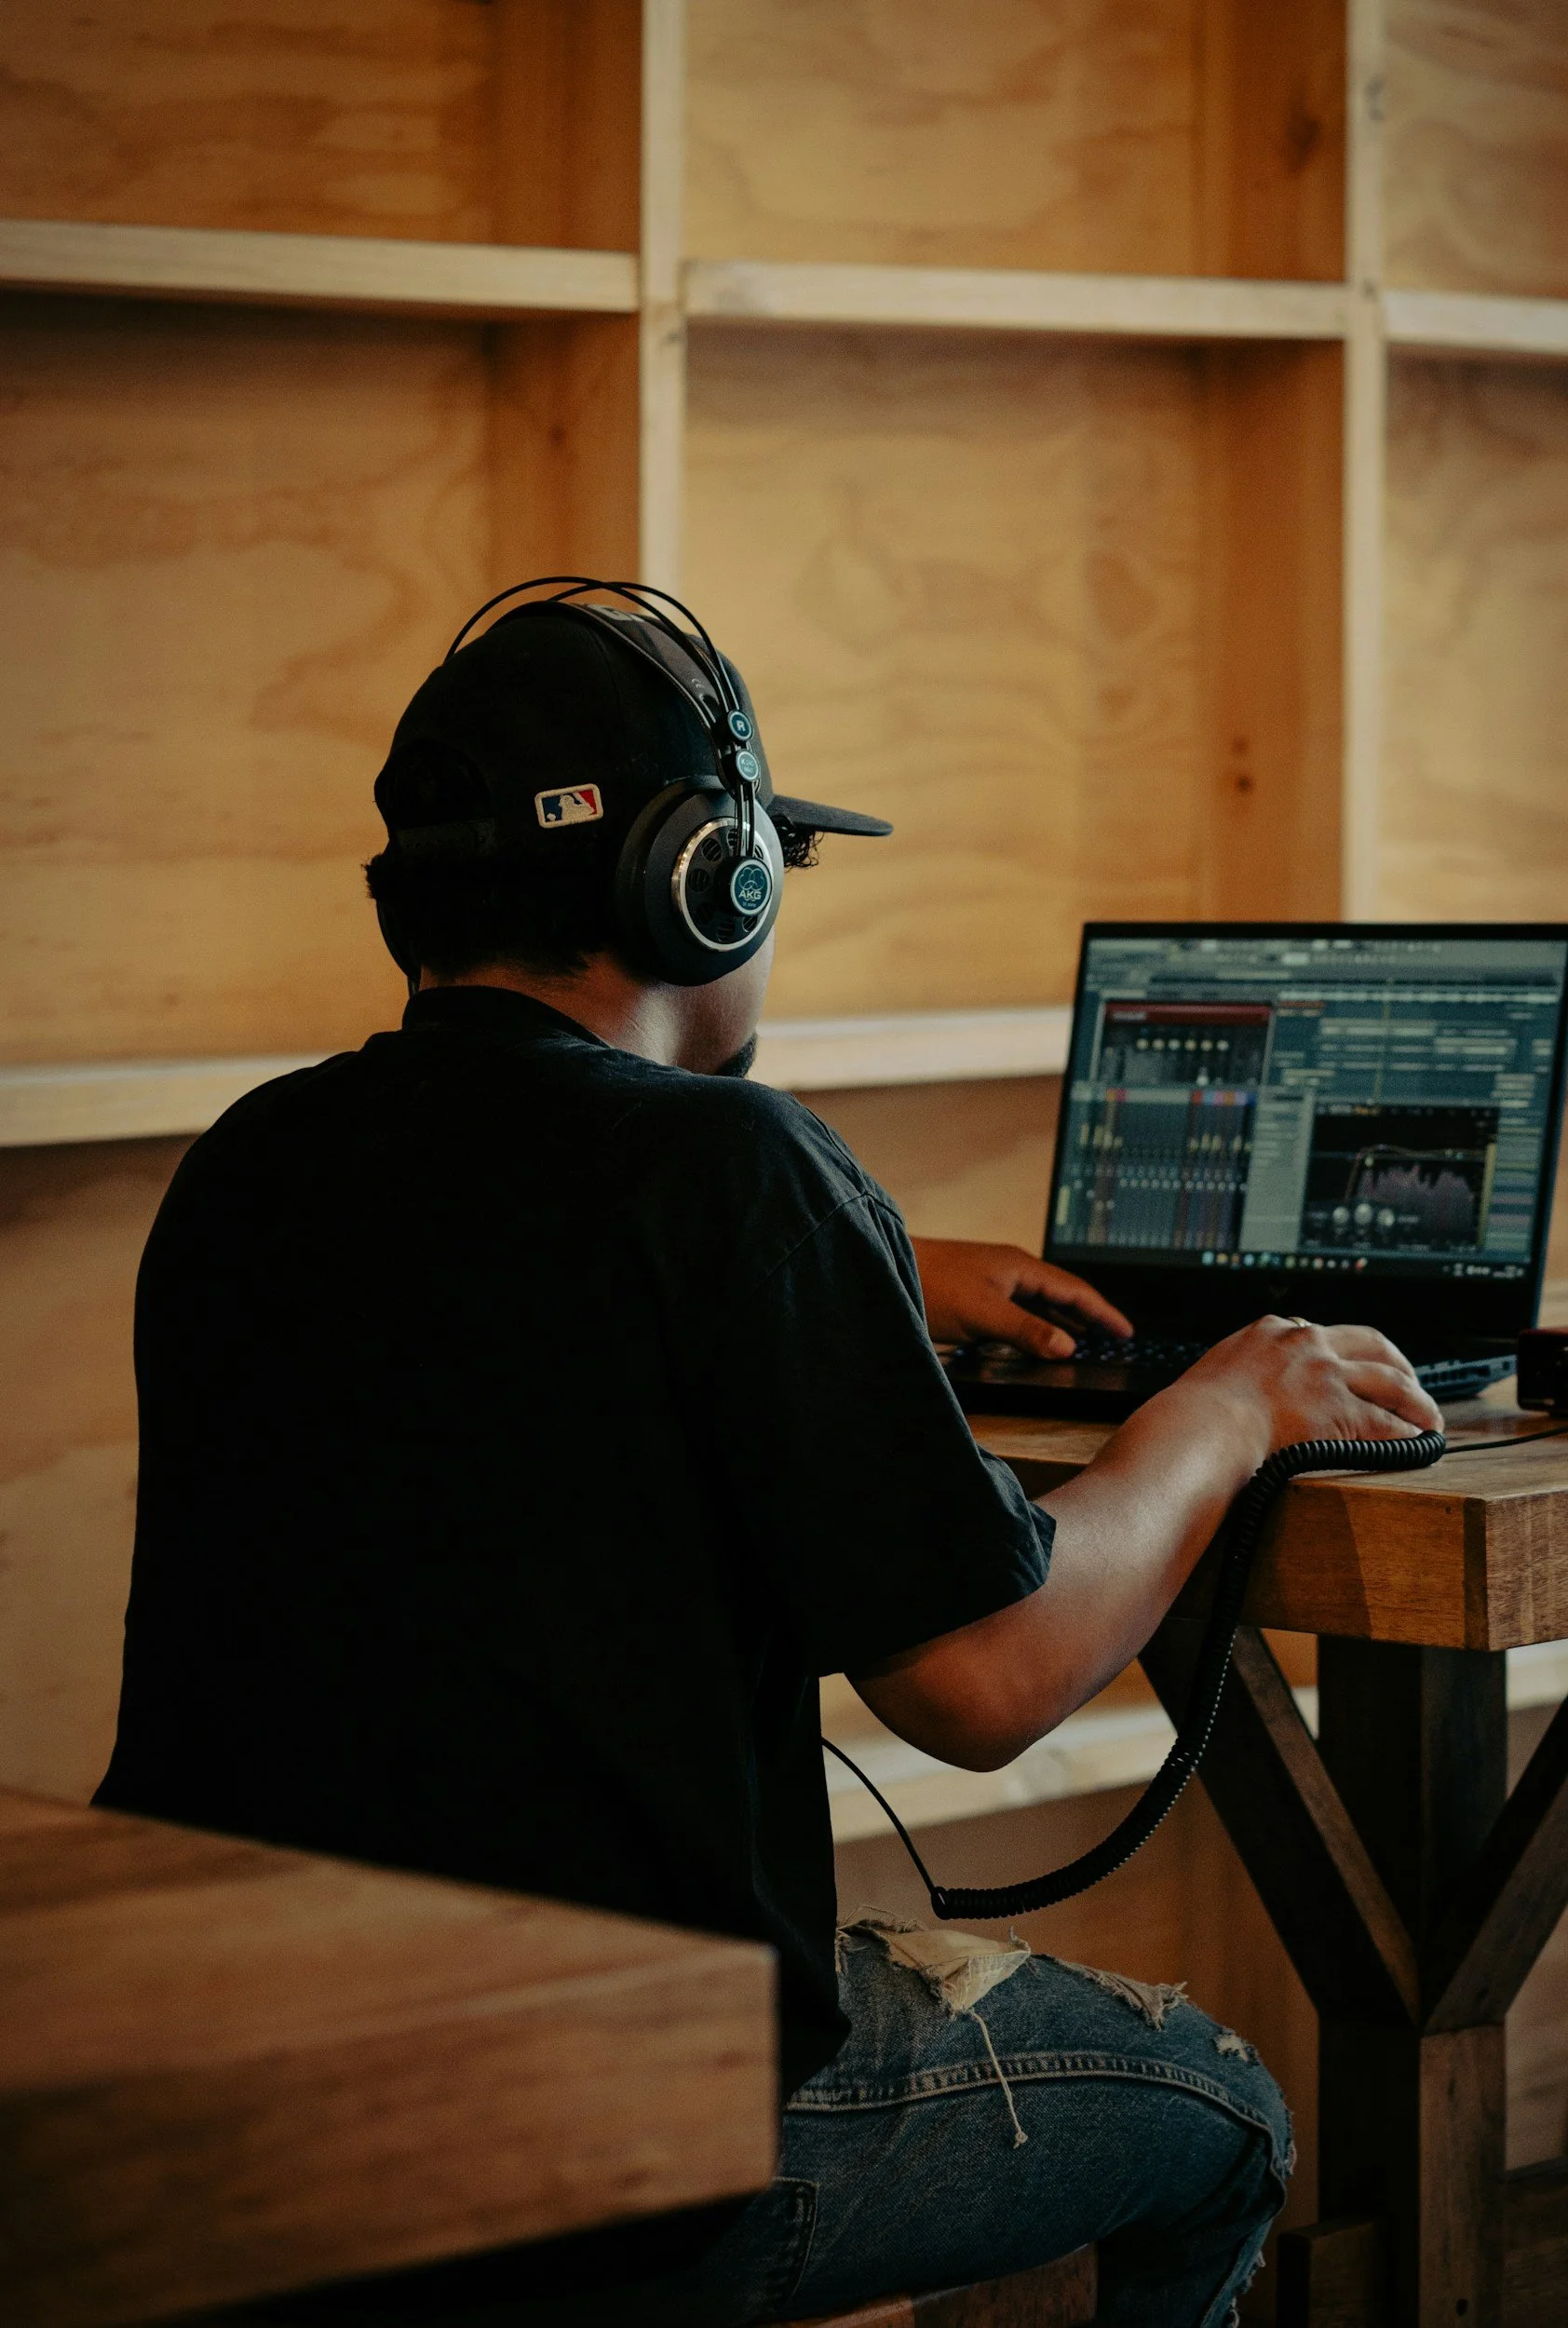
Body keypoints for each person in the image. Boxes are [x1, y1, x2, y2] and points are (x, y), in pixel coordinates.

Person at [96, 587, 1440, 2328]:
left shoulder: (255, 1159)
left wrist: (868, 1267)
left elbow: (523, 1292)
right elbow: (984, 1683)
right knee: (1223, 2115)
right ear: (706, 879)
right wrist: (1228, 1410)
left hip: (248, 2100)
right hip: (619, 2148)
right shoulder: (737, 1173)